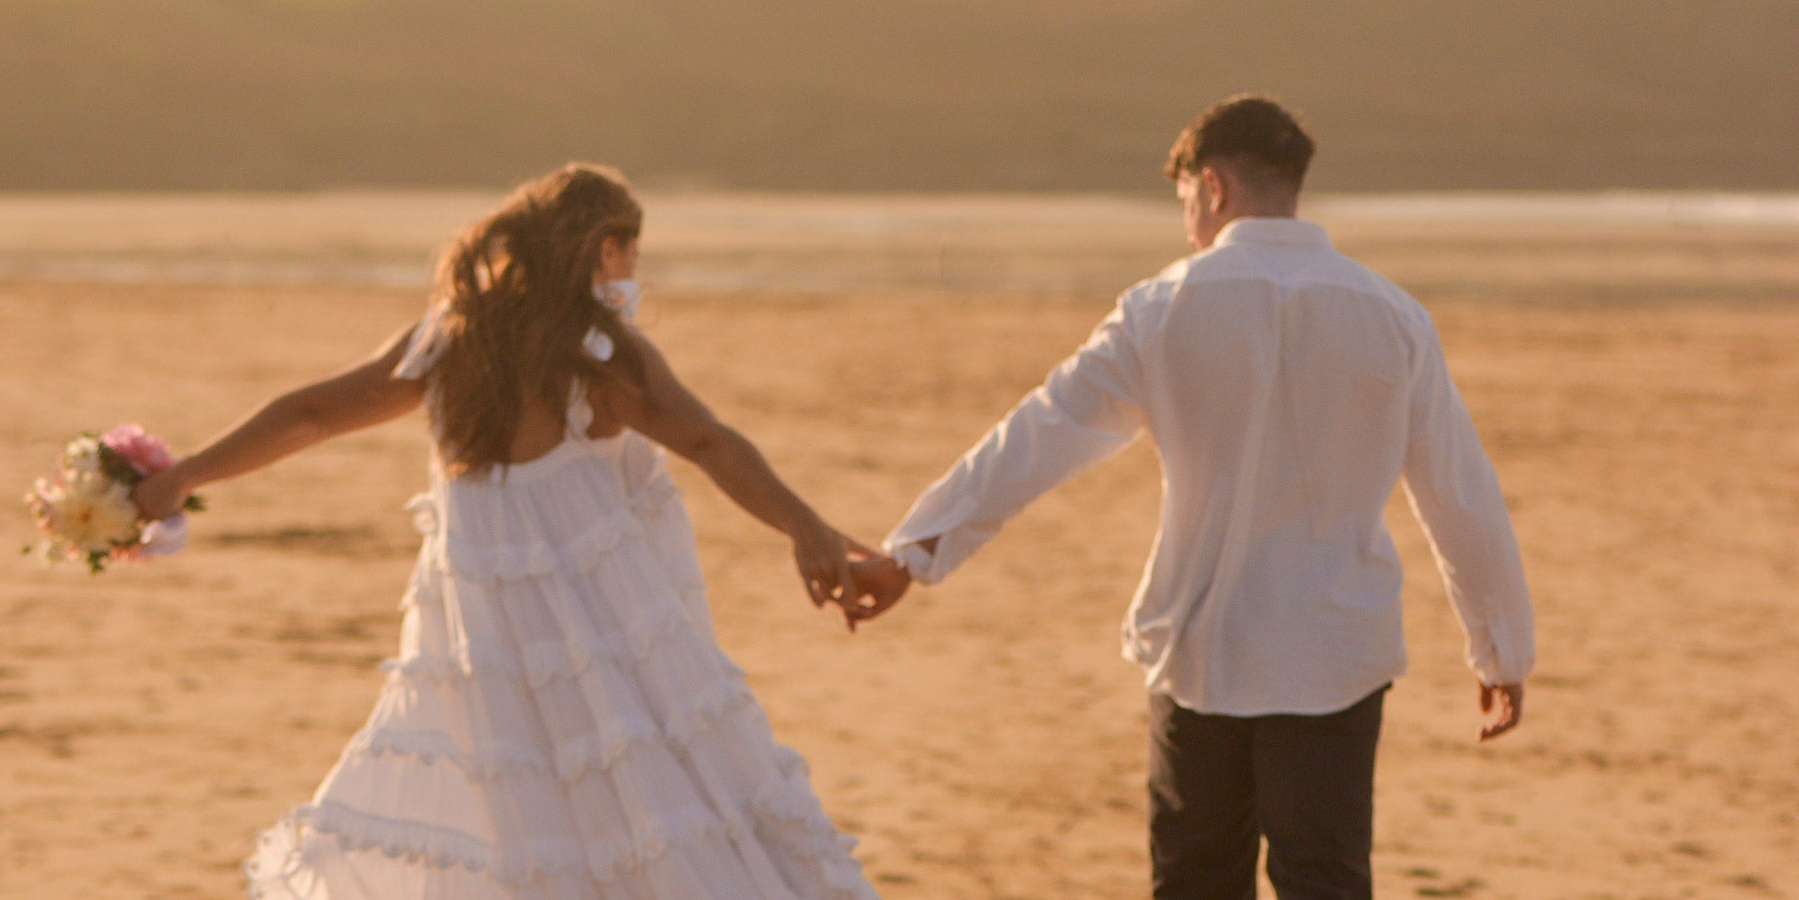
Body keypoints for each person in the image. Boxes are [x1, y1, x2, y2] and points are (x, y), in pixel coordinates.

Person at [849, 96, 1536, 898]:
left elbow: (1037, 434)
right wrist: (1501, 647)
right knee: (1328, 879)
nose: (1187, 226)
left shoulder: (1161, 308)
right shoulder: (1393, 316)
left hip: (1200, 647)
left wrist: (915, 551)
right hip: (1334, 651)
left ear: (1212, 186)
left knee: (1194, 883)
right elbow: (1459, 491)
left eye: (1184, 203)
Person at [131, 164, 880, 899]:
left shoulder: (449, 343)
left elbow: (309, 414)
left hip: (483, 652)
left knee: (524, 828)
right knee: (662, 809)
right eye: (630, 254)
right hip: (608, 642)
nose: (631, 272)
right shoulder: (600, 353)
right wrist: (803, 524)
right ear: (602, 249)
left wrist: (188, 473)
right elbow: (709, 441)